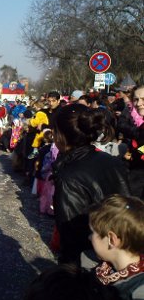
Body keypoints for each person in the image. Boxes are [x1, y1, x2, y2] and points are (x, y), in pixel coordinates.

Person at [52, 104, 131, 265]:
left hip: (91, 260)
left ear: (60, 135)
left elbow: (70, 235)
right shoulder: (112, 161)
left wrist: (68, 271)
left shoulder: (69, 176)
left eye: (54, 131)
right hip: (123, 252)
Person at [89, 195, 144, 300]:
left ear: (112, 240)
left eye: (93, 232)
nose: (89, 237)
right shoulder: (101, 268)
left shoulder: (137, 297)